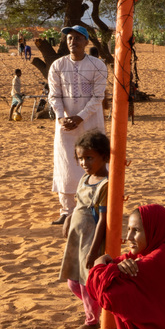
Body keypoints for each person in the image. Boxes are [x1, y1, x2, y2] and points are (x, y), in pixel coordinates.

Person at [48, 26, 107, 226]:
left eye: (78, 38)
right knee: (65, 163)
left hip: (90, 123)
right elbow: (54, 95)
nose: (73, 42)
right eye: (70, 38)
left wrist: (80, 117)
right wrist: (60, 117)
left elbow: (98, 96)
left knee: (93, 162)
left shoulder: (97, 65)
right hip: (64, 125)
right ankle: (66, 211)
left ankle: (92, 208)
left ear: (86, 42)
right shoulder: (57, 65)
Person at [59, 130, 110, 329]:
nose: (84, 163)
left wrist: (92, 250)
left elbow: (103, 220)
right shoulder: (84, 179)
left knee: (86, 282)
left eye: (89, 158)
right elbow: (80, 203)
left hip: (91, 239)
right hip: (76, 238)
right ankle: (98, 309)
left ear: (104, 157)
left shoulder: (105, 185)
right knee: (73, 281)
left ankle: (92, 320)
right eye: (80, 158)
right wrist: (69, 218)